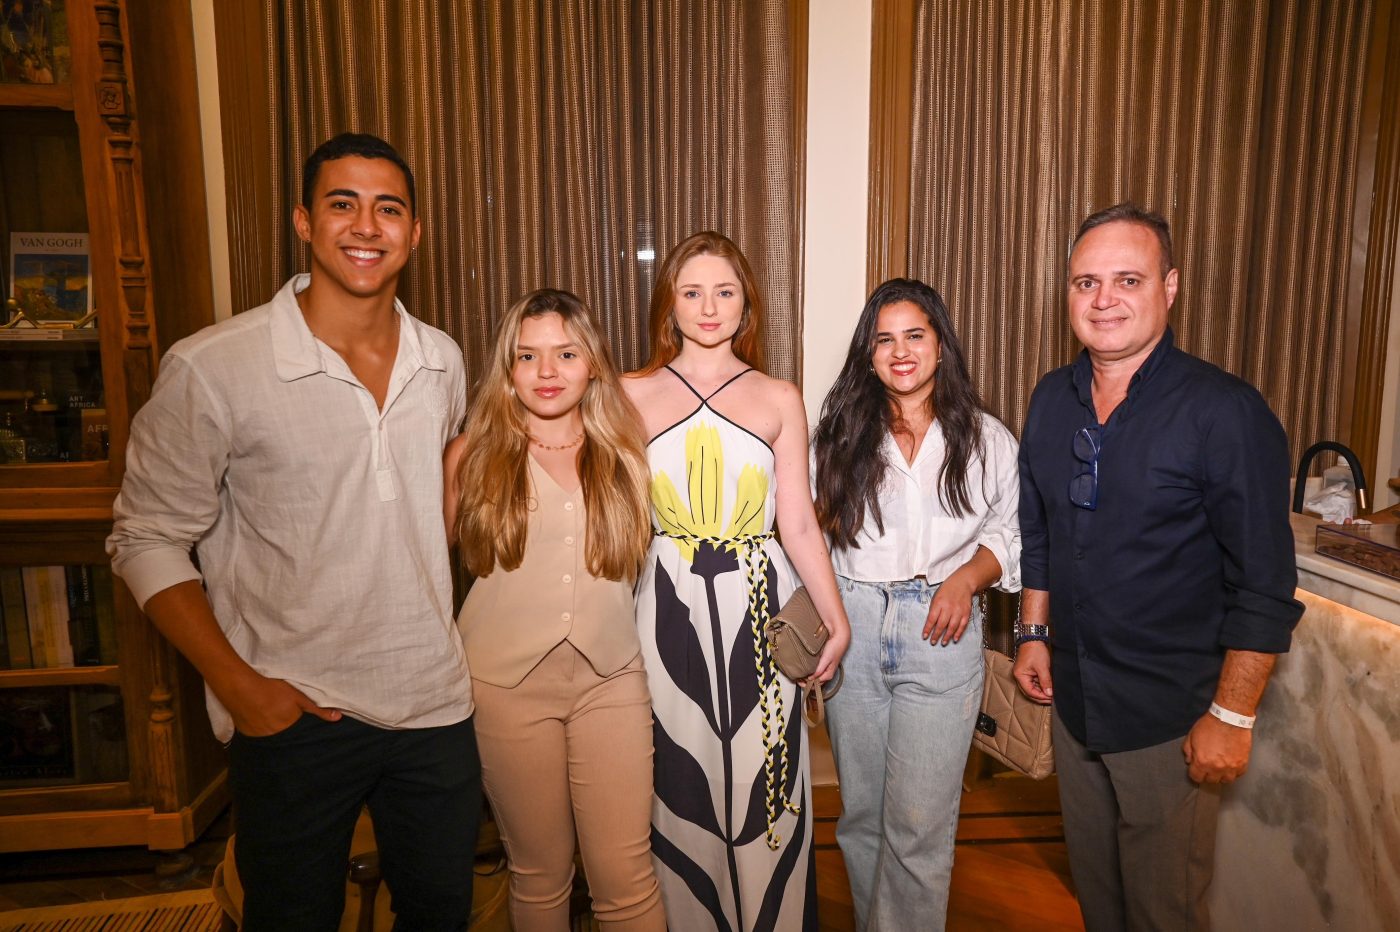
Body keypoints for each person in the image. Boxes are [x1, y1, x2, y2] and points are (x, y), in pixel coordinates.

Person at [107, 133, 480, 930]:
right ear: (304, 223)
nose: (366, 227)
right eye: (343, 204)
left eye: (389, 209)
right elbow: (144, 539)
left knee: (442, 915)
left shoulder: (441, 361)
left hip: (434, 707)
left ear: (415, 232)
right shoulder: (215, 367)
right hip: (294, 713)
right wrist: (243, 689)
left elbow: (422, 517)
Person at [1013, 203, 1303, 931]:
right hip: (1076, 706)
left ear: (1169, 288)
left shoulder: (1224, 412)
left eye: (1127, 279)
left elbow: (1264, 584)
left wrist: (1231, 716)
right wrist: (1033, 633)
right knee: (1100, 905)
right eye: (1085, 283)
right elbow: (1040, 529)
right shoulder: (1052, 398)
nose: (1103, 299)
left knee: (1162, 911)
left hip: (1169, 721)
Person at [623, 231, 851, 931]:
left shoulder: (778, 396)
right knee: (676, 772)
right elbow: (618, 521)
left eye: (724, 291)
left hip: (760, 606)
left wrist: (835, 618)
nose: (708, 306)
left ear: (746, 303)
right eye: (692, 292)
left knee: (766, 779)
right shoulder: (628, 393)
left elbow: (801, 523)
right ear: (670, 305)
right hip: (664, 607)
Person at [445, 289, 666, 931]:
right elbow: (422, 577)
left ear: (593, 363)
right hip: (502, 690)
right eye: (528, 356)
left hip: (611, 684)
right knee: (540, 877)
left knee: (626, 879)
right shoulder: (471, 455)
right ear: (507, 370)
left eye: (566, 354)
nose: (547, 372)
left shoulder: (629, 455)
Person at [811, 278, 1020, 931]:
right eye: (884, 339)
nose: (900, 351)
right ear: (867, 354)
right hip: (853, 626)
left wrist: (964, 579)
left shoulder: (986, 439)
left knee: (920, 825)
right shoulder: (837, 436)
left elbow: (1010, 534)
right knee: (865, 817)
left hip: (942, 630)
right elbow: (806, 535)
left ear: (940, 345)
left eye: (915, 335)